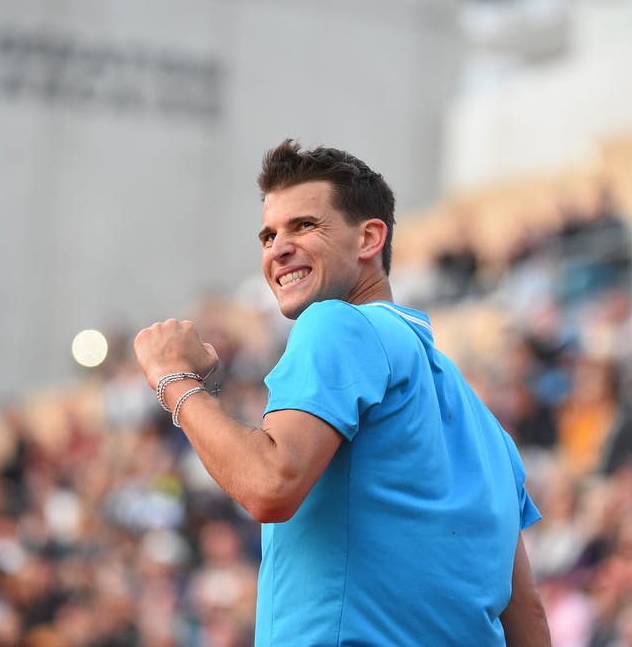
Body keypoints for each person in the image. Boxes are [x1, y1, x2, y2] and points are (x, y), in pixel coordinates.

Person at [133, 139, 551, 646]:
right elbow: (525, 611)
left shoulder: (337, 324)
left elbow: (270, 483)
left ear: (369, 238)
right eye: (268, 235)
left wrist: (174, 378)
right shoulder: (487, 427)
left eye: (304, 226)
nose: (277, 248)